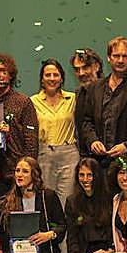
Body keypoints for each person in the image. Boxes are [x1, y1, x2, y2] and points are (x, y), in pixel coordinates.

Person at [78, 37, 127, 172]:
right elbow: (86, 121)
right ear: (109, 58)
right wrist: (93, 141)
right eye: (116, 55)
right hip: (99, 164)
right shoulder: (94, 88)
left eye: (125, 56)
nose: (120, 60)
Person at [0, 156, 65, 253]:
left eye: (25, 171)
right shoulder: (11, 199)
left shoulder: (48, 196)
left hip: (43, 250)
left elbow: (62, 226)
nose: (19, 174)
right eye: (17, 171)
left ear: (34, 174)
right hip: (19, 251)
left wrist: (49, 234)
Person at [0, 53, 40, 183]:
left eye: (2, 71)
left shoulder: (23, 101)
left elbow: (31, 141)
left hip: (18, 169)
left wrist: (27, 169)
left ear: (10, 75)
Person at [65, 157, 115, 253]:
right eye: (81, 175)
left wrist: (111, 250)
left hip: (104, 252)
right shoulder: (72, 202)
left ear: (96, 176)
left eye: (89, 175)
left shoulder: (110, 198)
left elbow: (115, 231)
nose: (85, 179)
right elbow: (72, 239)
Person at [31, 59, 79, 203]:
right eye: (48, 75)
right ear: (42, 79)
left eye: (55, 75)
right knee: (47, 198)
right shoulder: (33, 101)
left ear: (62, 78)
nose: (52, 79)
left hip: (69, 155)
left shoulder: (73, 99)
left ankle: (66, 226)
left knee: (68, 198)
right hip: (44, 154)